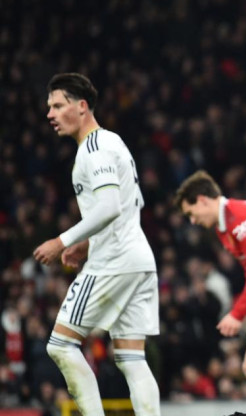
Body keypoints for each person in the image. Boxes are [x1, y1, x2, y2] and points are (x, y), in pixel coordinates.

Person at [33, 73, 160, 416]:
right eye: (49, 107)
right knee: (131, 358)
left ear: (82, 106)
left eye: (58, 105)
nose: (51, 114)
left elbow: (109, 207)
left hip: (114, 261)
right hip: (139, 258)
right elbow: (134, 204)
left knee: (60, 346)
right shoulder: (114, 142)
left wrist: (62, 241)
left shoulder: (94, 149)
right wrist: (86, 244)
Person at [174, 170, 246, 400]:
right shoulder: (225, 223)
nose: (193, 221)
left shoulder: (238, 217)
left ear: (203, 200)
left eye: (191, 213)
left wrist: (237, 313)